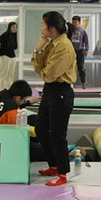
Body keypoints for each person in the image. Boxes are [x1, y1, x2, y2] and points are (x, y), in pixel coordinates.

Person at [32, 11, 77, 186]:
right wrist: (38, 49)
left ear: (52, 27)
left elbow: (49, 74)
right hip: (50, 90)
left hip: (61, 91)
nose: (41, 28)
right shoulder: (52, 44)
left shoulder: (64, 46)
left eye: (43, 24)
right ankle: (54, 165)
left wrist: (43, 71)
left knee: (58, 134)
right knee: (41, 129)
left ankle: (62, 173)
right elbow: (39, 67)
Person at [0, 21, 19, 89]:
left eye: (16, 27)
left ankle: (9, 90)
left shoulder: (14, 35)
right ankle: (1, 90)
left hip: (13, 57)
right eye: (13, 27)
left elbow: (15, 47)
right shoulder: (5, 35)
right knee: (4, 75)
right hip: (5, 56)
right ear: (9, 27)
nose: (15, 28)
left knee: (10, 76)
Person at [70, 15, 90, 88]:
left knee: (81, 67)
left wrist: (86, 49)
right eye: (73, 22)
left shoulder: (82, 31)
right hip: (71, 51)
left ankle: (83, 82)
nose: (74, 23)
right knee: (70, 66)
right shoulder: (70, 31)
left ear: (79, 22)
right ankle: (70, 82)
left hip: (80, 51)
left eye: (75, 22)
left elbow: (86, 41)